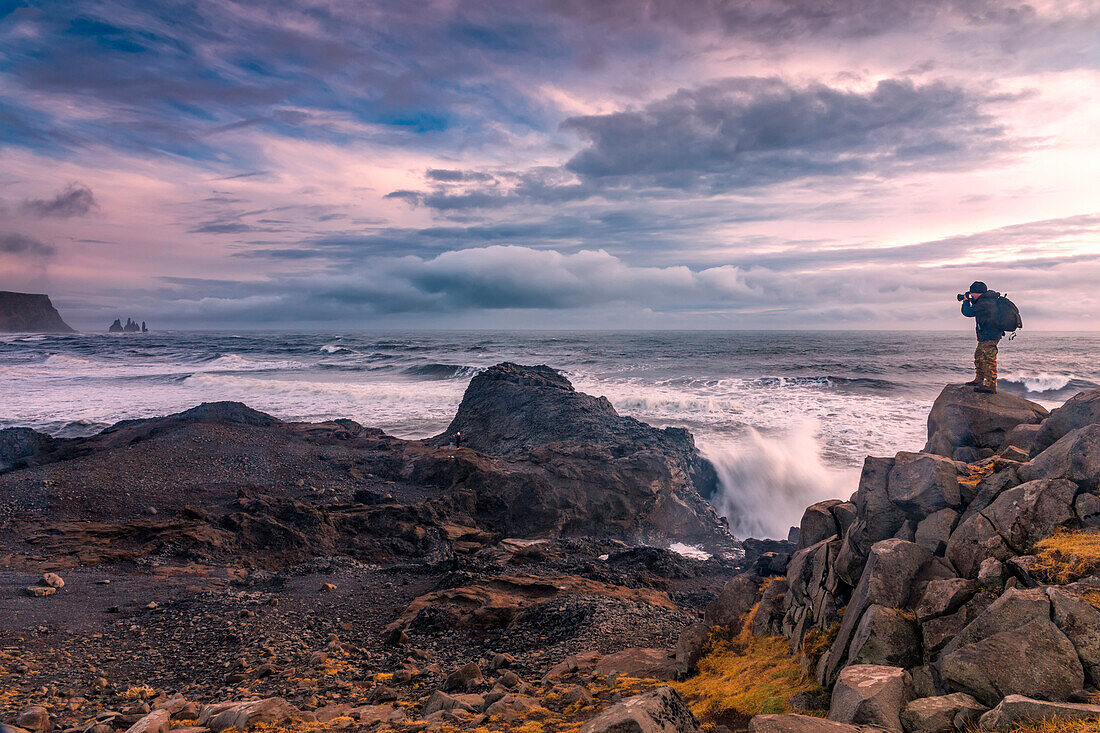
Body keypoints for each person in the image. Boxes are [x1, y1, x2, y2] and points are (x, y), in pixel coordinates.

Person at [960, 281, 1004, 394]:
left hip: (990, 335)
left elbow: (968, 312)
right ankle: (979, 380)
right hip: (986, 335)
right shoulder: (984, 301)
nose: (971, 295)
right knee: (979, 356)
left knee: (988, 359)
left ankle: (991, 386)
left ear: (978, 293)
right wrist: (971, 300)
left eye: (972, 293)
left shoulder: (986, 303)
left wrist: (965, 301)